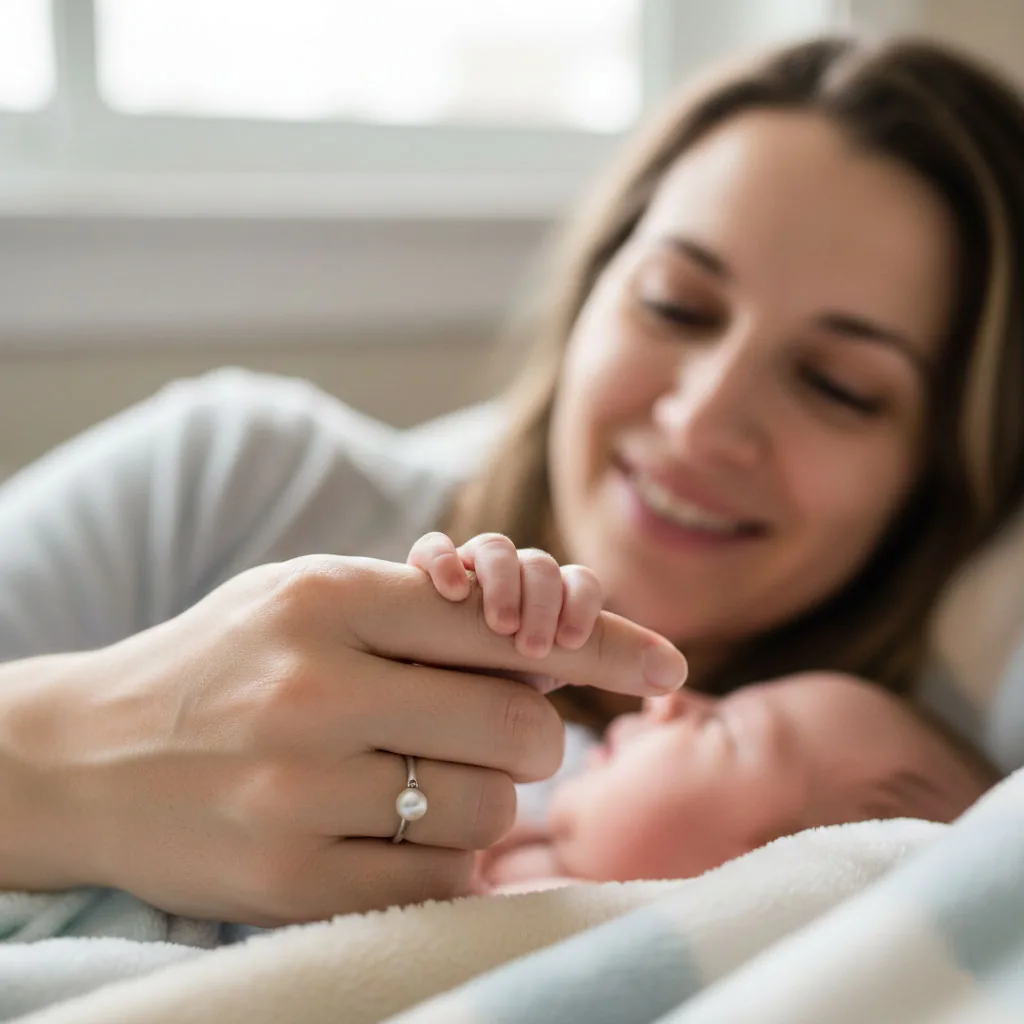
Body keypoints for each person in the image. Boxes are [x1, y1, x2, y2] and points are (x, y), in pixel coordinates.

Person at [0, 34, 1023, 928]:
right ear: (592, 291)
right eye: (675, 304)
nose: (700, 419)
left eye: (836, 385)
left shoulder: (900, 788)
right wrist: (76, 765)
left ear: (944, 470)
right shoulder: (232, 480)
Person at [410, 533, 997, 894]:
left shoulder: (645, 947)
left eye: (722, 729)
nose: (668, 699)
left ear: (794, 873)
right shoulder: (530, 788)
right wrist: (459, 649)